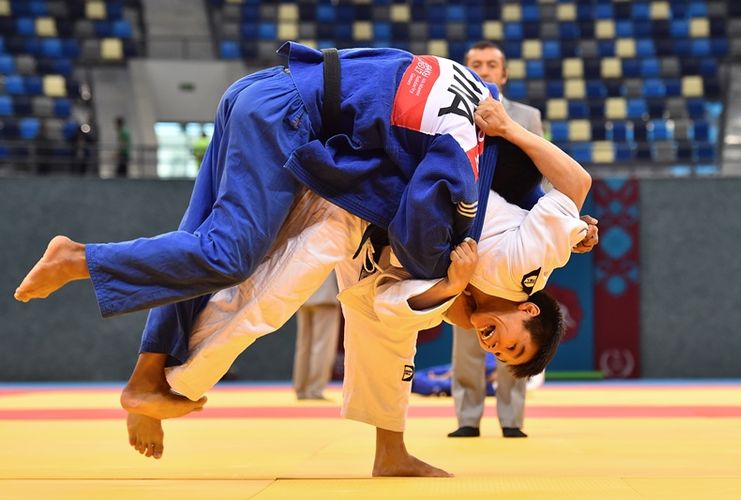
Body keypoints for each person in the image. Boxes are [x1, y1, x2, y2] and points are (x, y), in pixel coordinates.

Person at [15, 42, 510, 473]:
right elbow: (422, 219)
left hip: (264, 91)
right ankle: (80, 259)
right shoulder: (465, 147)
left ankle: (146, 380)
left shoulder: (467, 96)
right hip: (286, 114)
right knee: (228, 256)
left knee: (197, 242)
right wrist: (441, 269)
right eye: (461, 311)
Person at [122, 99, 595, 474]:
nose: (493, 346)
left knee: (389, 340)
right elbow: (576, 184)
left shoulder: (475, 306)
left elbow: (410, 306)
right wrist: (516, 134)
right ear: (529, 310)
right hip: (367, 202)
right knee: (267, 301)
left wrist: (455, 286)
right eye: (510, 345)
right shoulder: (528, 268)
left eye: (499, 356)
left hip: (383, 248)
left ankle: (390, 453)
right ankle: (171, 387)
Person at [449, 40, 545, 440]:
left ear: (503, 74)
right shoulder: (451, 110)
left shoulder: (526, 116)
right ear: (464, 69)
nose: (485, 70)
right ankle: (467, 417)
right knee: (469, 328)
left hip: (518, 236)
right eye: (476, 64)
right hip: (465, 229)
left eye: (492, 65)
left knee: (514, 328)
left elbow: (542, 164)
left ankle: (512, 418)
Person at [292, 272, 340, 400]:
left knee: (303, 345)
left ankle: (301, 388)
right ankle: (315, 390)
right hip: (326, 292)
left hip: (303, 291)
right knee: (323, 345)